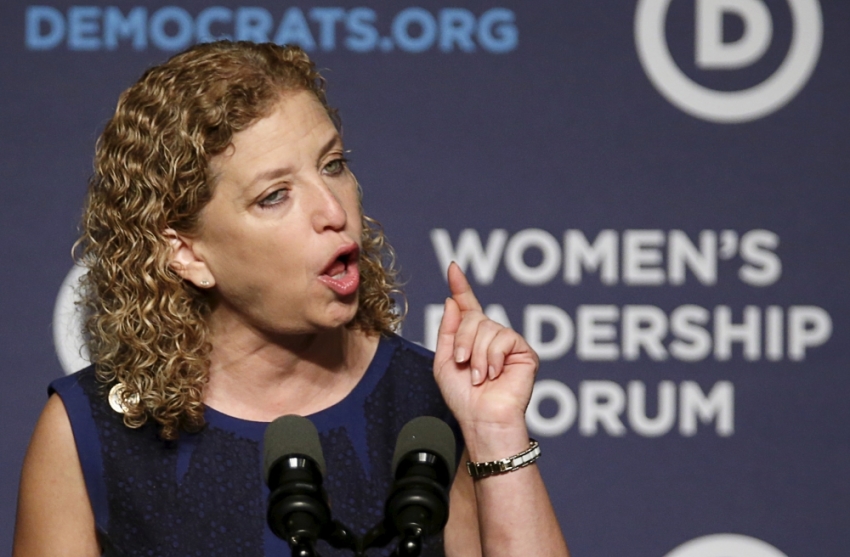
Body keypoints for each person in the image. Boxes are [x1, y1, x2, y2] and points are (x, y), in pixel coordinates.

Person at [13, 41, 569, 557]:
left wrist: (495, 432)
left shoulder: (435, 405)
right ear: (186, 253)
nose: (333, 210)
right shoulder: (87, 432)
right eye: (275, 195)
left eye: (333, 165)